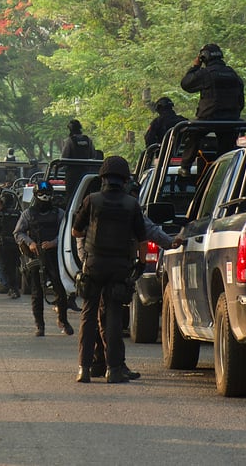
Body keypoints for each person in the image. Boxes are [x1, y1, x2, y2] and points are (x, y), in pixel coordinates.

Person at [70, 156, 148, 384]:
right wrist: (140, 265)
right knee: (113, 316)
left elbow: (76, 232)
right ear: (124, 179)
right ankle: (113, 370)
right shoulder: (131, 204)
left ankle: (84, 369)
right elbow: (142, 240)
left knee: (88, 315)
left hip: (94, 265)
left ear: (102, 178)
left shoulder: (91, 200)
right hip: (119, 267)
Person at [14, 181, 74, 337]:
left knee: (60, 290)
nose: (45, 197)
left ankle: (63, 321)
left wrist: (54, 242)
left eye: (48, 194)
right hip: (36, 257)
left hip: (55, 257)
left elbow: (66, 232)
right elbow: (18, 233)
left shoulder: (59, 213)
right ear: (36, 195)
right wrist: (31, 243)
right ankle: (39, 325)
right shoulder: (28, 214)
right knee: (36, 292)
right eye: (41, 194)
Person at [178, 43, 245, 177]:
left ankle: (185, 167)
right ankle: (223, 172)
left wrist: (195, 66)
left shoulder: (205, 73)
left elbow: (186, 84)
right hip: (231, 120)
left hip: (208, 118)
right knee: (226, 150)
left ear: (204, 57)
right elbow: (241, 101)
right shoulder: (233, 74)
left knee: (192, 134)